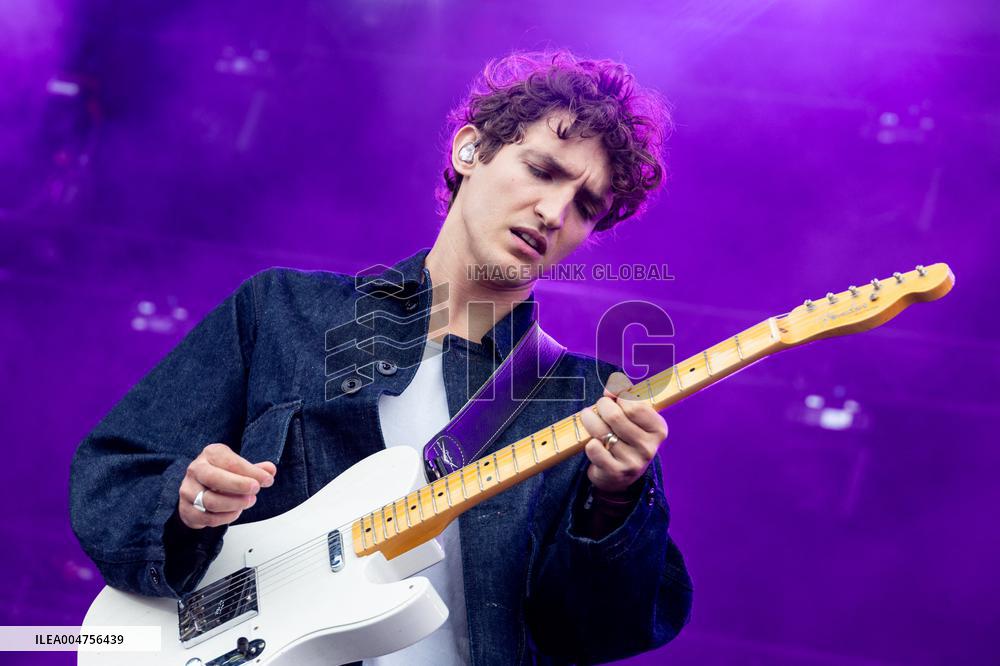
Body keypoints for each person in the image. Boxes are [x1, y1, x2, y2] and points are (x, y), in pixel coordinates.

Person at [70, 50, 693, 665]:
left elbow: (595, 634)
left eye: (586, 206)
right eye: (542, 169)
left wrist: (615, 502)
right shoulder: (282, 312)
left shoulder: (584, 397)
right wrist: (184, 502)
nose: (555, 213)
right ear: (469, 150)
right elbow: (109, 479)